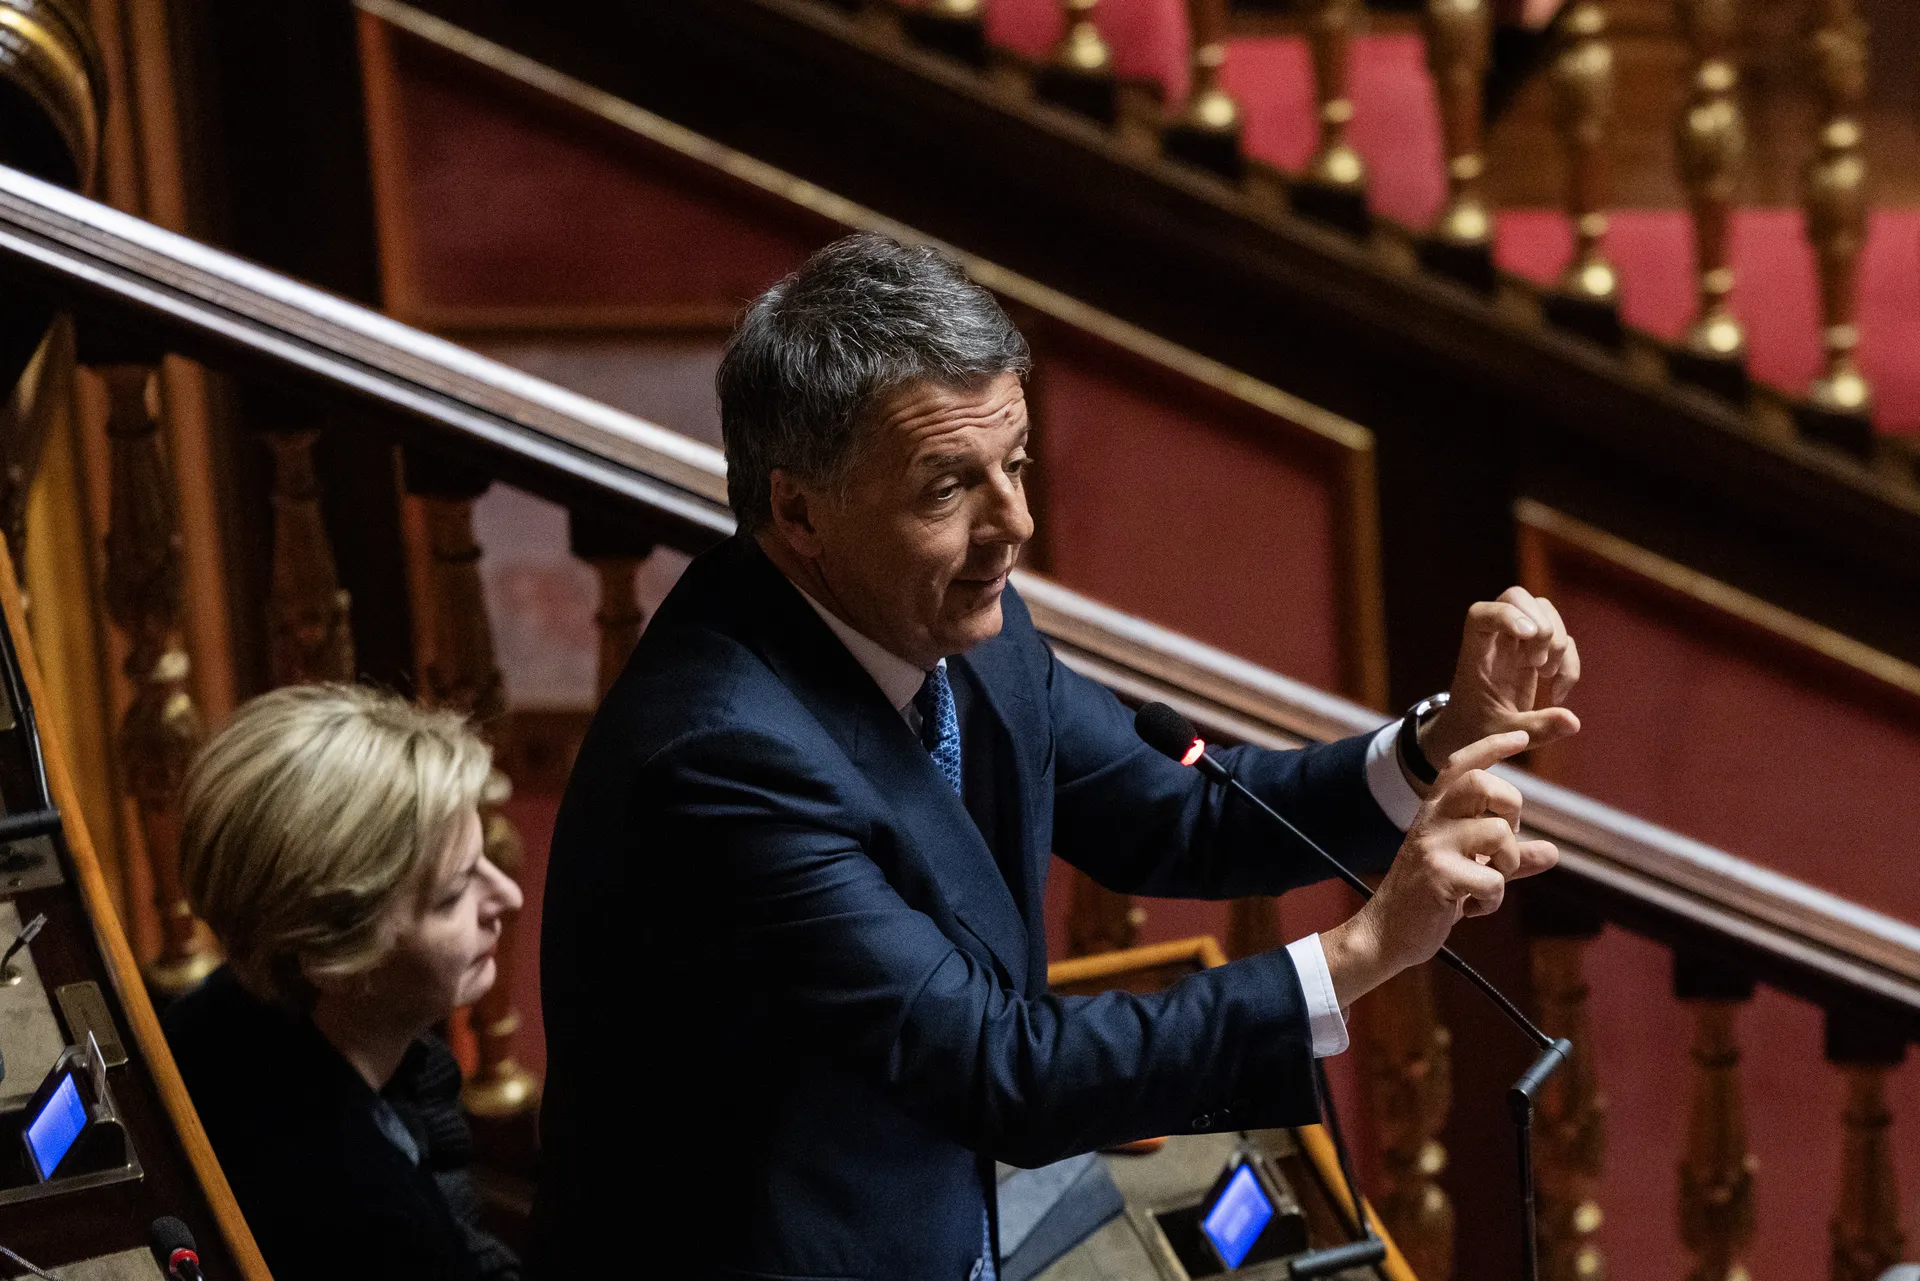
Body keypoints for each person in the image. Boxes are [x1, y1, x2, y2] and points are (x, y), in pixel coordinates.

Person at [535, 233, 1582, 1278]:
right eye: (947, 488)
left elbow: (1185, 814)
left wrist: (1436, 744)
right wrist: (1366, 949)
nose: (1015, 524)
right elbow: (1003, 1071)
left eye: (1016, 464)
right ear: (799, 509)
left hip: (931, 1203)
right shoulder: (724, 758)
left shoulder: (960, 627)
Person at [162, 684, 524, 1281]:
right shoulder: (366, 1223)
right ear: (336, 957)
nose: (508, 896)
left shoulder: (230, 1004)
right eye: (454, 894)